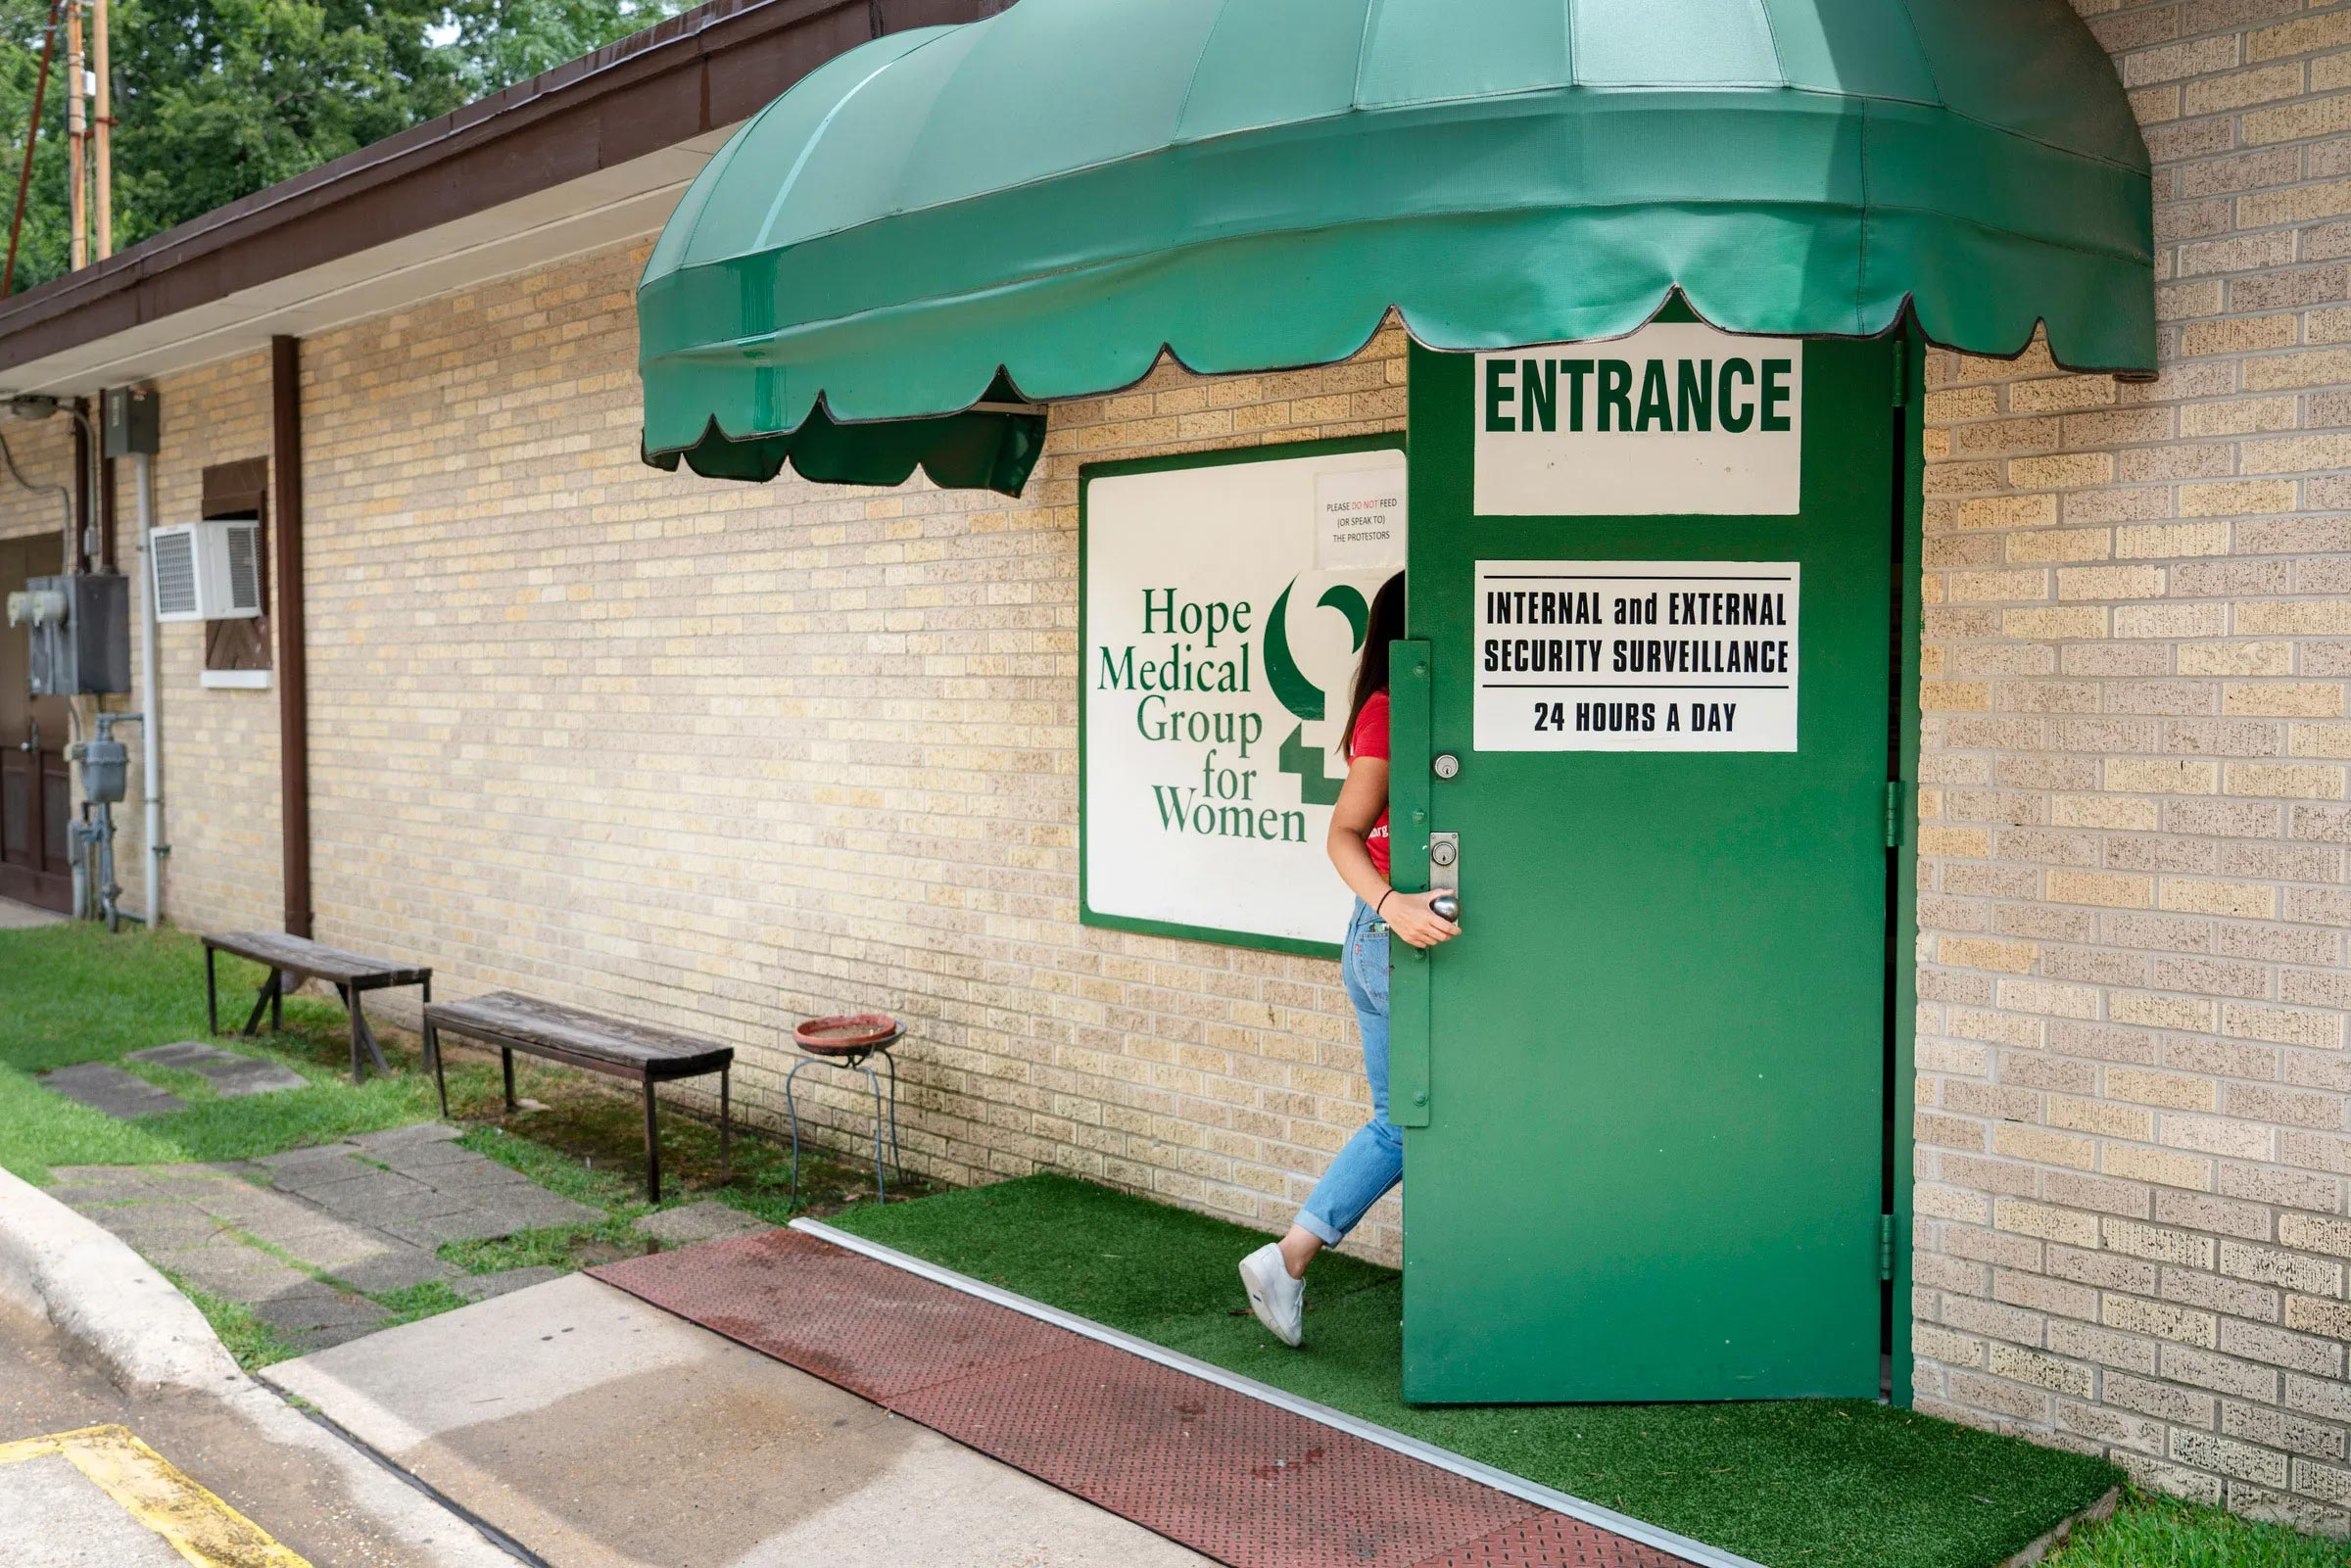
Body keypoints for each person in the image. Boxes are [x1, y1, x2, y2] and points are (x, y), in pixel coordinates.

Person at [1239, 571, 1458, 1347]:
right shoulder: (1390, 709)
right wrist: (1395, 904)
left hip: (1384, 942)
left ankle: (1290, 1261)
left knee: (1409, 1120)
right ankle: (1288, 1259)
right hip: (1386, 938)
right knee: (1405, 1123)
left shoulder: (1425, 704)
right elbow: (1342, 831)